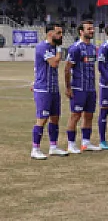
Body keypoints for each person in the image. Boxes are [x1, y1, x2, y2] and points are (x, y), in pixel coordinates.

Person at [30, 23, 67, 159]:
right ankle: (35, 149)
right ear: (50, 33)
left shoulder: (53, 48)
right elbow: (54, 63)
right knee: (42, 119)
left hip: (54, 88)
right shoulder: (42, 47)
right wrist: (59, 49)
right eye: (58, 33)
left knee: (55, 118)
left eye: (62, 33)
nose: (61, 35)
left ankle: (53, 146)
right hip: (43, 89)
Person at [65, 20, 100, 153]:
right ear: (81, 31)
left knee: (89, 116)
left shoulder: (92, 48)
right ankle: (71, 144)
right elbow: (67, 69)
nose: (92, 31)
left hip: (91, 89)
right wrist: (68, 88)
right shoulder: (75, 48)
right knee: (75, 116)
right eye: (89, 29)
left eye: (92, 28)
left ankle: (86, 143)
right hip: (78, 88)